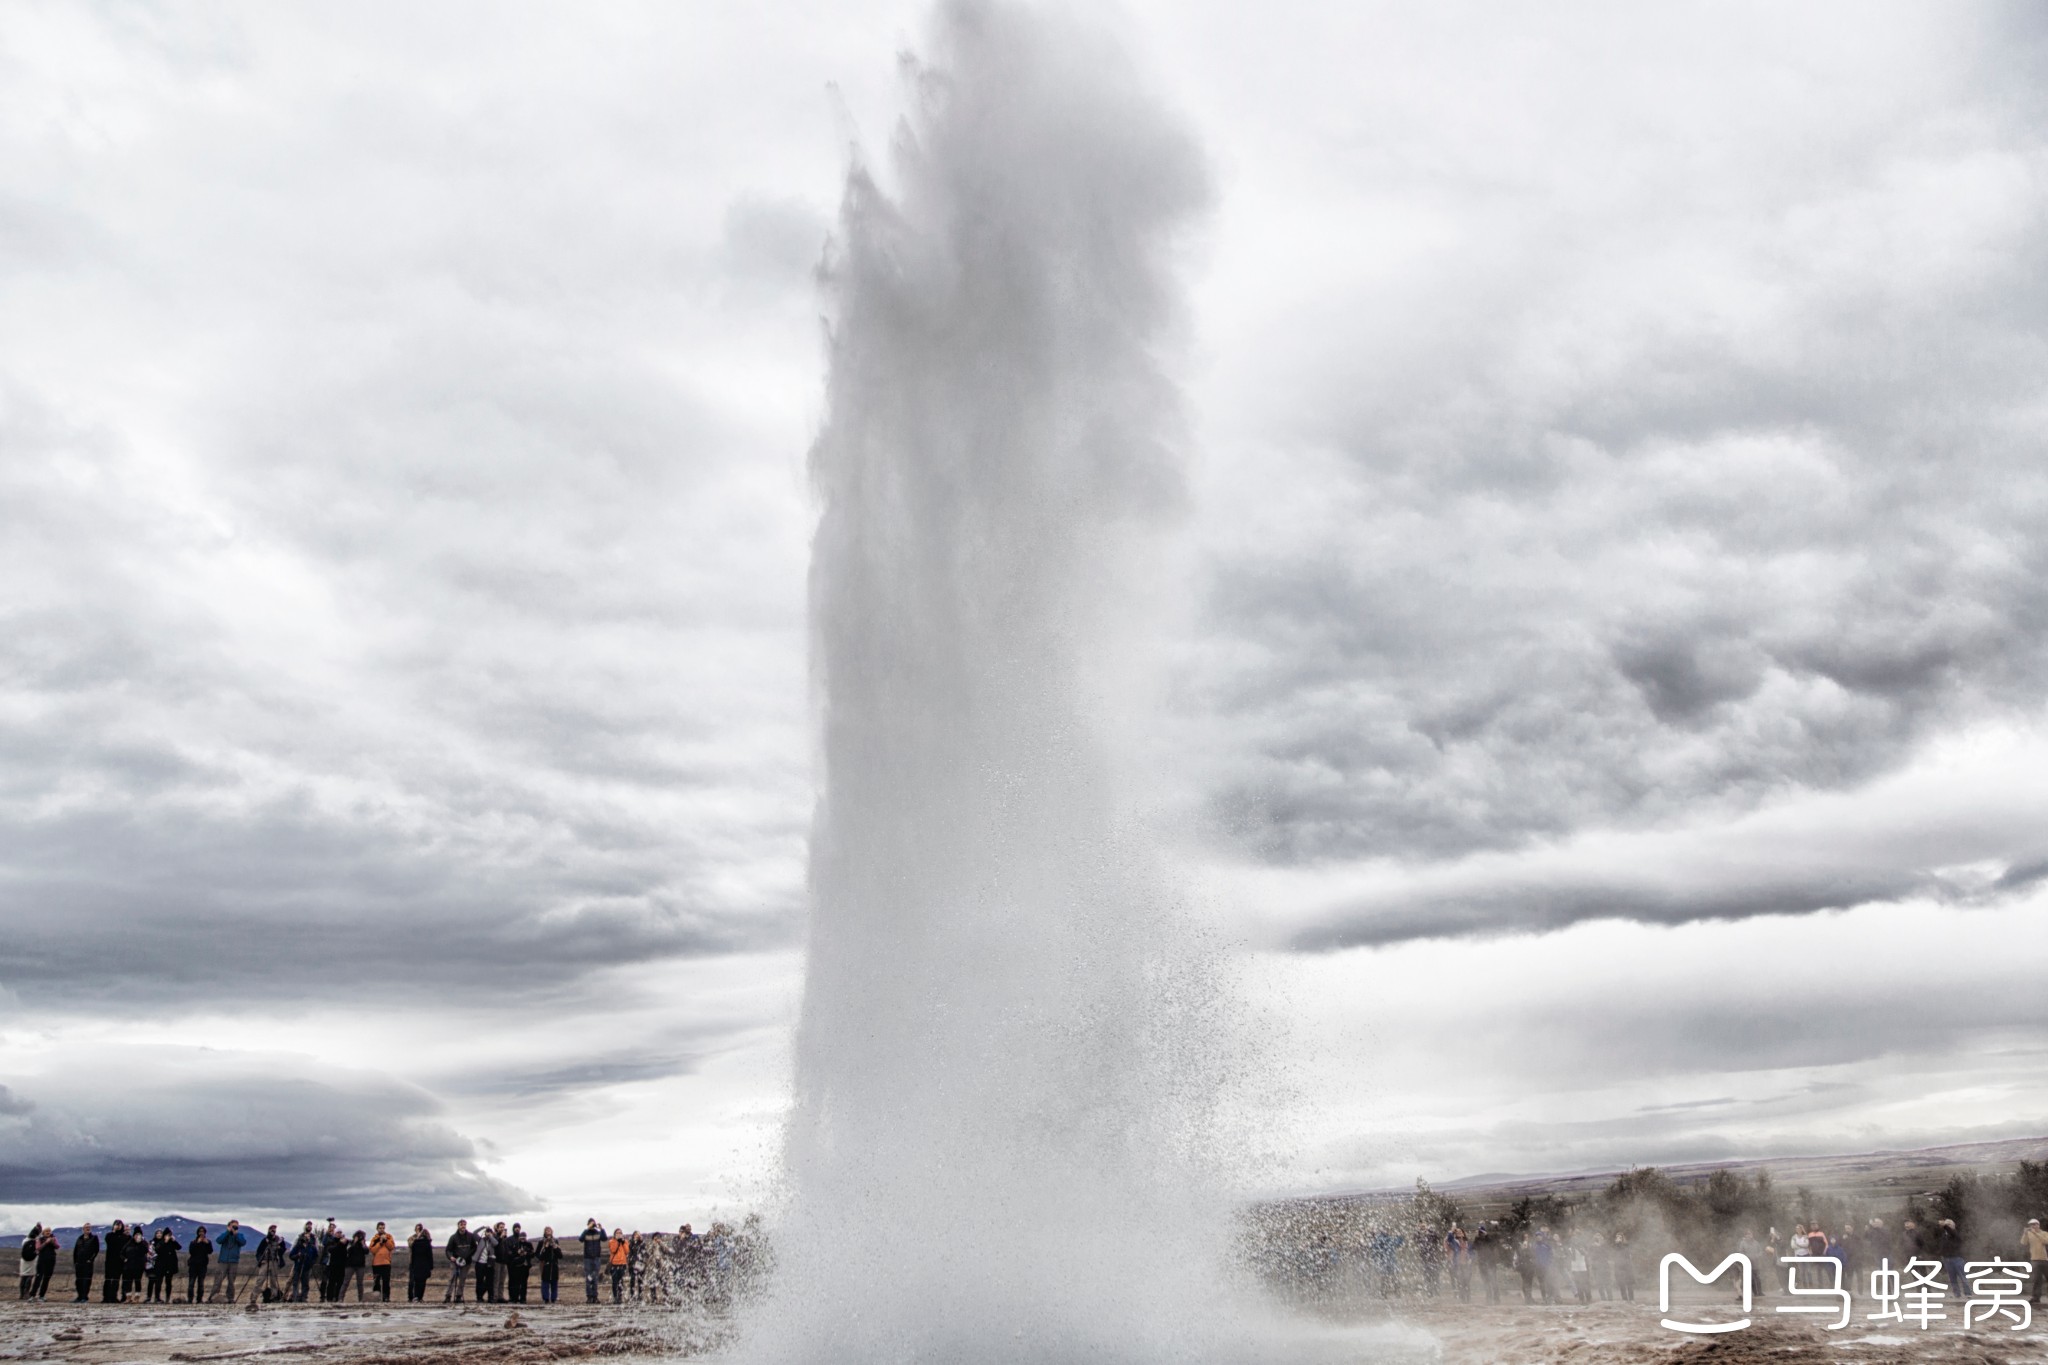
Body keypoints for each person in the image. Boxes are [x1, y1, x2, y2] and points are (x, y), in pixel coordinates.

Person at [442, 1220, 476, 1303]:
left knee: (462, 1279)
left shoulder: (470, 1236)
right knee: (452, 1278)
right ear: (458, 1226)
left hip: (466, 1262)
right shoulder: (453, 1237)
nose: (463, 1226)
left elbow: (474, 1247)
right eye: (461, 1225)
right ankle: (448, 1296)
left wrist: (469, 1255)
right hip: (455, 1261)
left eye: (464, 1224)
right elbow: (448, 1250)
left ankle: (459, 1296)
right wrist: (451, 1257)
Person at [213, 1219, 246, 1302]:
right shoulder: (225, 1235)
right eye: (233, 1226)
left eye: (236, 1226)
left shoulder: (240, 1235)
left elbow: (243, 1242)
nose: (235, 1228)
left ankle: (230, 1298)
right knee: (218, 1280)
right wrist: (227, 1232)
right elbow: (218, 1240)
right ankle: (213, 1297)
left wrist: (236, 1235)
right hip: (223, 1260)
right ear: (229, 1226)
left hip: (234, 1261)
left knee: (231, 1281)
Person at [254, 1225, 288, 1302]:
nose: (273, 1231)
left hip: (275, 1262)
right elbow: (258, 1252)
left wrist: (280, 1248)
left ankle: (274, 1297)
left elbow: (283, 1251)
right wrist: (260, 1260)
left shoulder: (279, 1241)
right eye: (271, 1229)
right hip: (265, 1261)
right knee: (260, 1280)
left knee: (273, 1281)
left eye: (274, 1230)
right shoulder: (265, 1240)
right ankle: (254, 1297)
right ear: (269, 1230)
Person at [2022, 1217, 2048, 1307]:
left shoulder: (2044, 1233)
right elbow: (2023, 1243)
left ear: (2038, 1225)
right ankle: (2036, 1298)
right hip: (2035, 1260)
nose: (2033, 1226)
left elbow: (2045, 1241)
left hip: (2044, 1259)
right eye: (2031, 1225)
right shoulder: (2029, 1234)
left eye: (2035, 1224)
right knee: (2037, 1279)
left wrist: (2036, 1233)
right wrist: (2025, 1234)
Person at [71, 1222, 100, 1302]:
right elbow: (75, 1251)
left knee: (86, 1280)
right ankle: (79, 1296)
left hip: (88, 1263)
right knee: (78, 1280)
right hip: (79, 1263)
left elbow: (96, 1250)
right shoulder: (79, 1238)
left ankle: (84, 1297)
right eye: (86, 1227)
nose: (87, 1228)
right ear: (83, 1229)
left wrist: (90, 1260)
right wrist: (75, 1262)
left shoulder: (94, 1238)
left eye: (89, 1227)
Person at [289, 1225, 318, 1302]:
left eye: (308, 1237)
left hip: (307, 1267)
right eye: (306, 1236)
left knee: (305, 1283)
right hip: (298, 1266)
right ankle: (295, 1298)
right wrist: (297, 1256)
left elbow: (316, 1256)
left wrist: (312, 1263)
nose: (307, 1238)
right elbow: (291, 1255)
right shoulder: (298, 1246)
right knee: (295, 1283)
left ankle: (304, 1297)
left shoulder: (312, 1247)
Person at [505, 1224, 533, 1303]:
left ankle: (523, 1299)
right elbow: (510, 1253)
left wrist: (526, 1253)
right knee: (516, 1283)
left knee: (524, 1284)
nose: (522, 1239)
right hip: (516, 1266)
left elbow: (532, 1254)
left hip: (525, 1266)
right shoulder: (516, 1244)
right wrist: (517, 1253)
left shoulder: (528, 1244)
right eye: (521, 1238)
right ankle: (514, 1298)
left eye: (524, 1238)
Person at [151, 1229, 180, 1305]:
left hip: (170, 1266)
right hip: (160, 1265)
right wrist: (165, 1242)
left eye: (169, 1235)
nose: (168, 1237)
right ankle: (157, 1298)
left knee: (168, 1282)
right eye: (166, 1235)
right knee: (158, 1282)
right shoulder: (161, 1242)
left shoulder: (172, 1242)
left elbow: (179, 1247)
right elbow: (157, 1249)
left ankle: (167, 1298)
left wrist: (174, 1241)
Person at [102, 1221, 128, 1304]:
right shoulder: (109, 1235)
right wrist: (114, 1231)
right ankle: (106, 1297)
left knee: (116, 1280)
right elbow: (109, 1241)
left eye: (120, 1225)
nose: (118, 1226)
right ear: (113, 1226)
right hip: (109, 1261)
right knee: (108, 1279)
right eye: (116, 1225)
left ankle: (114, 1297)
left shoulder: (125, 1237)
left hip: (119, 1261)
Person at [580, 1220, 606, 1303]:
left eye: (593, 1223)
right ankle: (589, 1297)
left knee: (595, 1278)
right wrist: (587, 1229)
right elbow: (580, 1239)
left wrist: (601, 1229)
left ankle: (595, 1296)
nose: (592, 1225)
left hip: (596, 1258)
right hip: (587, 1259)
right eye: (590, 1223)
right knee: (588, 1278)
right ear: (588, 1224)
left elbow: (604, 1238)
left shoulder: (598, 1233)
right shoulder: (586, 1233)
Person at [407, 1225, 434, 1302]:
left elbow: (413, 1255)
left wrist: (412, 1265)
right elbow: (430, 1256)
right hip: (425, 1266)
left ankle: (415, 1296)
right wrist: (431, 1266)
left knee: (416, 1281)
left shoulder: (415, 1243)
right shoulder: (427, 1244)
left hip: (416, 1265)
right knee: (422, 1282)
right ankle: (419, 1297)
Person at [186, 1225, 213, 1303]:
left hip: (203, 1265)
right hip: (193, 1265)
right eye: (200, 1232)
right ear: (197, 1233)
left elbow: (210, 1251)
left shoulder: (208, 1242)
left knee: (201, 1283)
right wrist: (197, 1243)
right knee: (191, 1283)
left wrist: (207, 1244)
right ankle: (190, 1299)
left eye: (203, 1232)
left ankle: (199, 1299)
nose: (201, 1233)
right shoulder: (193, 1242)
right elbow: (191, 1252)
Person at [369, 1223, 395, 1301]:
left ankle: (386, 1297)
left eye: (383, 1228)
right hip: (376, 1264)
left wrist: (385, 1240)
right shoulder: (374, 1239)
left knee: (386, 1282)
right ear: (377, 1229)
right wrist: (380, 1243)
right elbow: (372, 1250)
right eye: (380, 1228)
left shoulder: (389, 1237)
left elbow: (391, 1247)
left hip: (386, 1263)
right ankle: (376, 1297)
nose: (382, 1230)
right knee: (376, 1282)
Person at [473, 1222, 498, 1303]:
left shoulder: (493, 1240)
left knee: (490, 1281)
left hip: (489, 1264)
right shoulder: (480, 1240)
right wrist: (483, 1227)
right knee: (479, 1280)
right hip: (480, 1263)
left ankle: (490, 1297)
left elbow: (496, 1243)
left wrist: (491, 1236)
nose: (488, 1234)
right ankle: (479, 1297)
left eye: (490, 1232)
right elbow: (474, 1233)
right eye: (487, 1232)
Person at [536, 1228, 562, 1305]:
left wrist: (555, 1247)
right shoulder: (541, 1242)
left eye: (550, 1231)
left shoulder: (555, 1241)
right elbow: (539, 1255)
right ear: (544, 1232)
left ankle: (553, 1298)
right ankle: (546, 1298)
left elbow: (560, 1255)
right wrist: (546, 1247)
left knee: (554, 1282)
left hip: (554, 1264)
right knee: (545, 1281)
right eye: (547, 1231)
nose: (548, 1233)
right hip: (545, 1264)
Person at [123, 1224, 148, 1301]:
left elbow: (146, 1251)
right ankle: (128, 1296)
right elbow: (122, 1252)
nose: (137, 1236)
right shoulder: (129, 1243)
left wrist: (140, 1242)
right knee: (128, 1281)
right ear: (134, 1235)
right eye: (136, 1234)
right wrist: (124, 1259)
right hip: (129, 1266)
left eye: (139, 1234)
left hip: (139, 1266)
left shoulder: (144, 1243)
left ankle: (137, 1297)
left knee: (137, 1281)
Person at [608, 1227, 630, 1303]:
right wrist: (617, 1242)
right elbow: (613, 1250)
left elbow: (627, 1251)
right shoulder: (612, 1241)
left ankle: (620, 1297)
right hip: (614, 1264)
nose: (619, 1234)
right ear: (614, 1234)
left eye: (620, 1233)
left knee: (621, 1282)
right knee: (615, 1282)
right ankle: (615, 1297)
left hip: (622, 1264)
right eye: (617, 1233)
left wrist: (623, 1242)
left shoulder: (625, 1242)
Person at [1611, 1231, 1634, 1302]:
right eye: (1617, 1237)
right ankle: (1624, 1299)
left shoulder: (1626, 1245)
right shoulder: (1615, 1246)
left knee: (1629, 1283)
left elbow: (1627, 1253)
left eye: (1620, 1237)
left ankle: (1631, 1299)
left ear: (1623, 1238)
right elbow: (1613, 1253)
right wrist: (1617, 1243)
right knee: (1621, 1283)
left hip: (1627, 1266)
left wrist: (1620, 1243)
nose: (1619, 1239)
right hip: (1618, 1266)